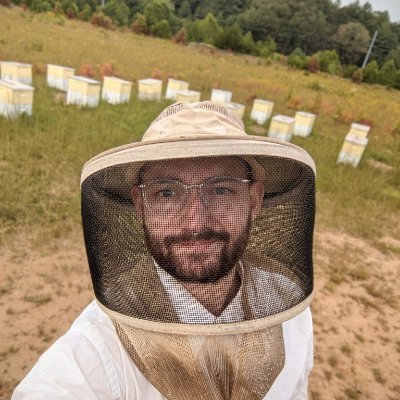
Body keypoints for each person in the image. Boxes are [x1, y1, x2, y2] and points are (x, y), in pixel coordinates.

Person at [13, 101, 316, 400]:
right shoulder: (96, 350)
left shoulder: (289, 307)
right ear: (141, 205)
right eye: (166, 193)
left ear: (254, 199)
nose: (195, 220)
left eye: (221, 189)